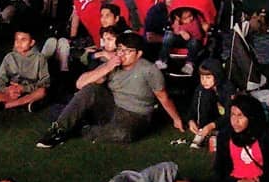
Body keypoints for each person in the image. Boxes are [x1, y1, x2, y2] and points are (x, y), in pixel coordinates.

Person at [36, 31, 183, 147]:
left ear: (138, 54)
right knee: (91, 88)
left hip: (136, 115)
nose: (122, 54)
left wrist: (176, 119)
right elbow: (80, 84)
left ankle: (81, 128)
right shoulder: (112, 64)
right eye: (119, 49)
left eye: (127, 51)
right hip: (112, 107)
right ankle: (58, 129)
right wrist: (107, 67)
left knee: (123, 135)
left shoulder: (149, 70)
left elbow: (163, 97)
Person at [213, 94, 269, 182]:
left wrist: (255, 181)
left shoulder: (265, 136)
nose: (235, 121)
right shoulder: (225, 136)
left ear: (251, 117)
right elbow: (220, 167)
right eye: (233, 115)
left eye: (240, 116)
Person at [0, 28, 50, 112]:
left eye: (23, 40)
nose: (19, 43)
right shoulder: (9, 57)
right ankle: (23, 104)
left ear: (31, 42)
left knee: (42, 92)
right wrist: (7, 89)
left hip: (29, 91)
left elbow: (45, 82)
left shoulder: (39, 58)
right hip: (11, 92)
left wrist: (24, 88)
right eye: (16, 40)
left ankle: (5, 105)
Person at [186, 58, 231, 149]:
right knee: (204, 95)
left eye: (208, 77)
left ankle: (217, 132)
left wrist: (212, 125)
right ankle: (201, 131)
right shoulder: (201, 89)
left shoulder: (228, 89)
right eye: (202, 77)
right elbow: (194, 107)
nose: (204, 81)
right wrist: (190, 120)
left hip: (227, 119)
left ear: (217, 76)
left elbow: (230, 114)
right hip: (213, 117)